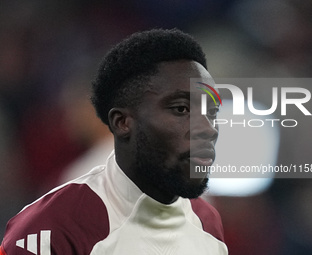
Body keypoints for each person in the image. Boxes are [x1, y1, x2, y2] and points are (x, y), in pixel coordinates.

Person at [0, 29, 228, 254]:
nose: (208, 129)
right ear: (121, 122)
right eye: (181, 109)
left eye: (211, 112)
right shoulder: (50, 227)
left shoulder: (207, 221)